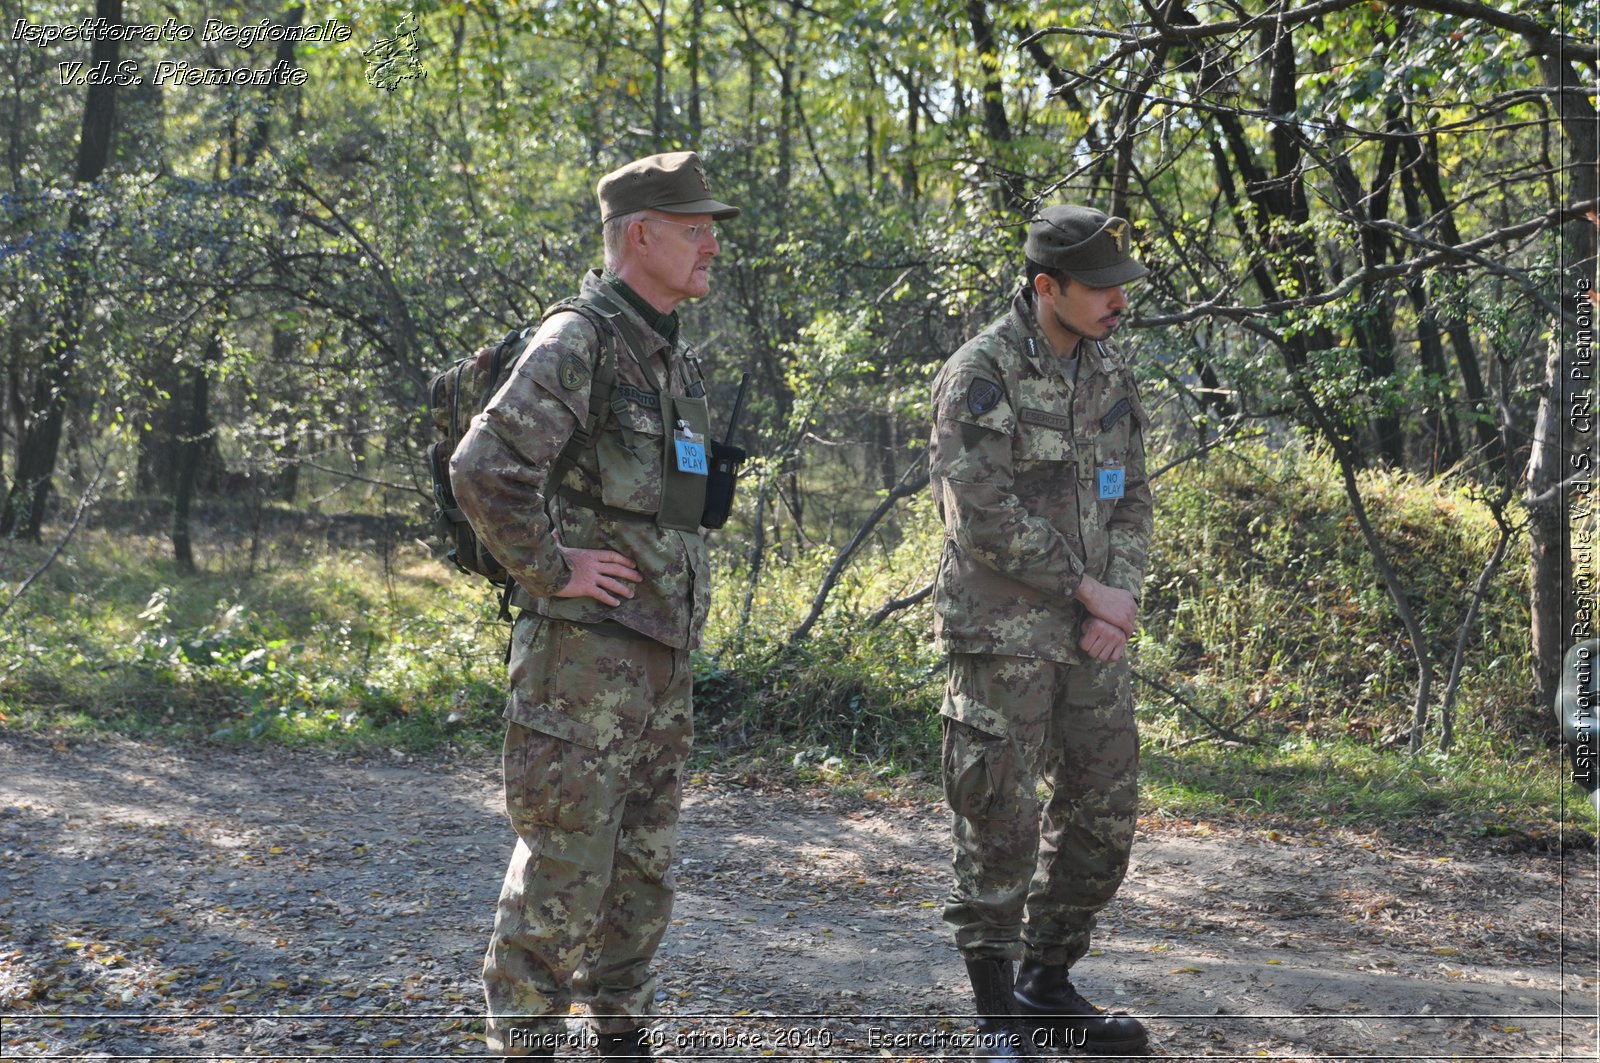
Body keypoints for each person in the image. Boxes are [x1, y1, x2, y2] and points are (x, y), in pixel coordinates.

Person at [450, 151, 738, 1060]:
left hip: (658, 664)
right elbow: (484, 468)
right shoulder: (579, 340)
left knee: (642, 877)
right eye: (695, 230)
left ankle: (624, 1039)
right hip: (582, 669)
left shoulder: (669, 355)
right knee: (564, 875)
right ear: (639, 235)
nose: (712, 246)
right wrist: (552, 567)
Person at [927, 205, 1154, 1058]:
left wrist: (1118, 597)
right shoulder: (980, 374)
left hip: (1093, 635)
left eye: (1119, 287)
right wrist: (1085, 588)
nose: (1115, 302)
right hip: (1004, 640)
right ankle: (998, 1021)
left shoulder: (1110, 376)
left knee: (1105, 815)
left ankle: (1047, 985)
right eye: (1098, 288)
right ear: (1045, 287)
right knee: (999, 822)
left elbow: (1132, 496)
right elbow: (979, 513)